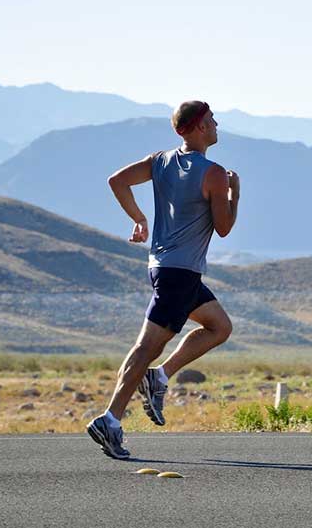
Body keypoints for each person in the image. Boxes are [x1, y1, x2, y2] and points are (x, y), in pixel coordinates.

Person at [87, 100, 239, 459]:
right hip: (180, 273)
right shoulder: (215, 174)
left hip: (165, 267)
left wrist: (139, 218)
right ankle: (110, 419)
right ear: (200, 126)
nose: (217, 125)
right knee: (146, 347)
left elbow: (117, 180)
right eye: (213, 120)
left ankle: (160, 377)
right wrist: (235, 193)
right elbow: (224, 228)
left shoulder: (160, 161)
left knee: (219, 326)